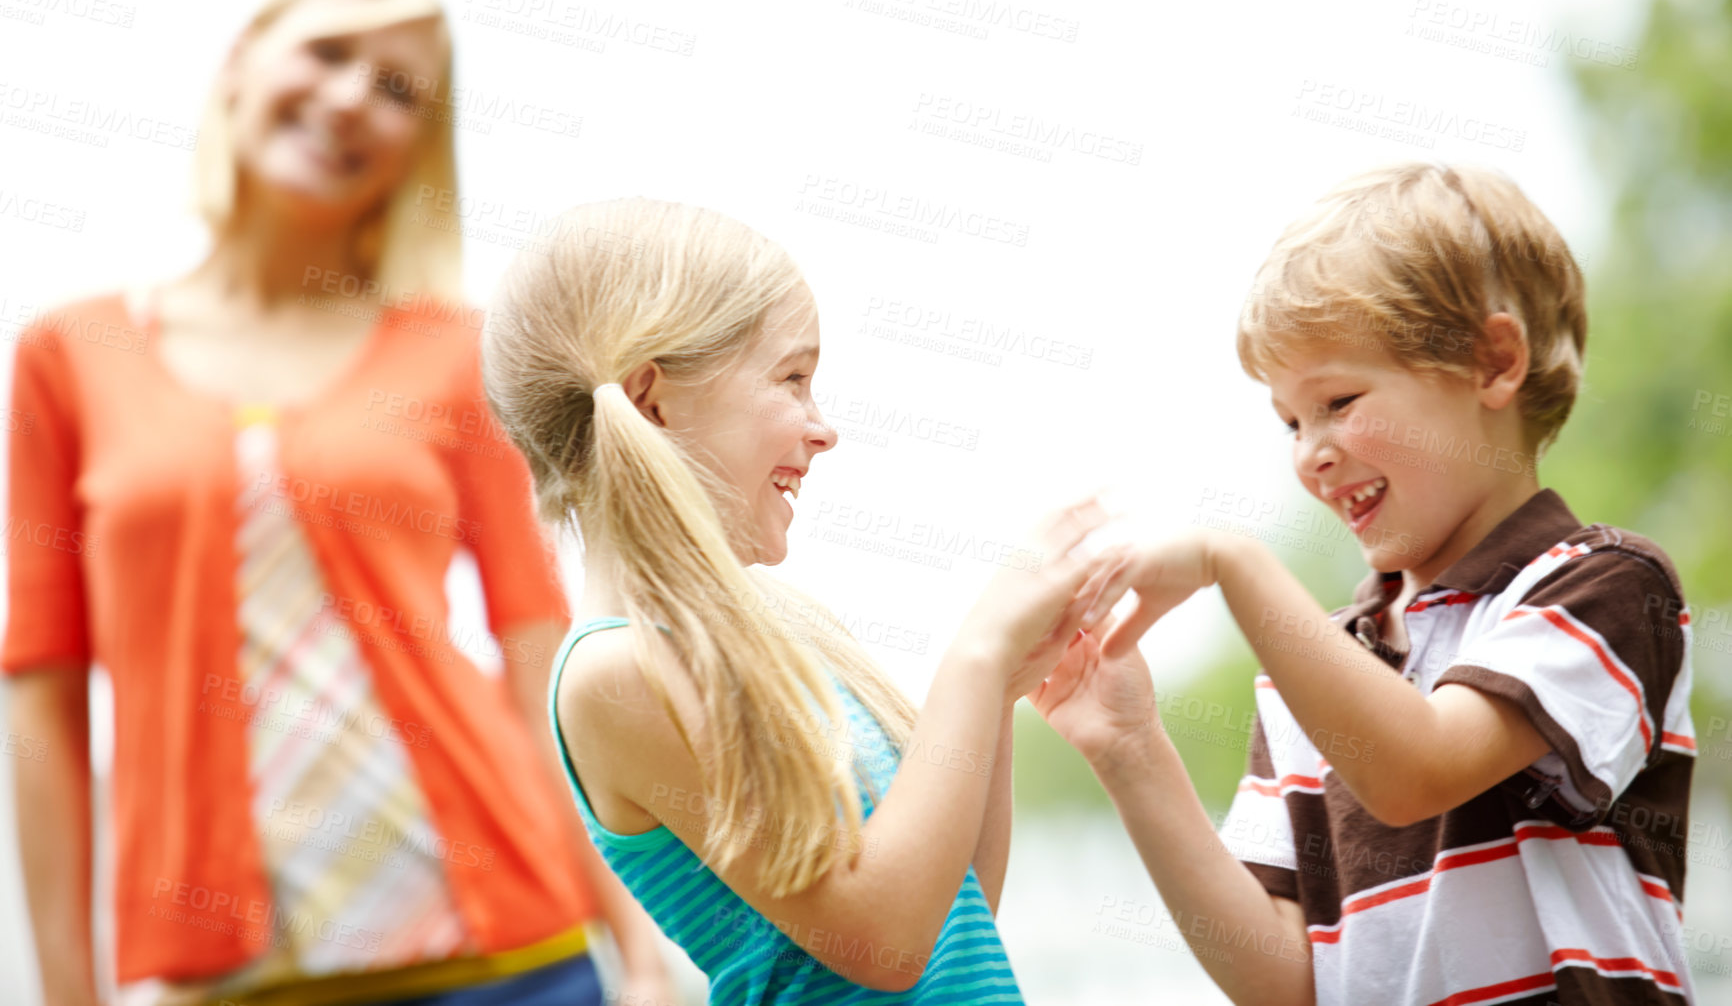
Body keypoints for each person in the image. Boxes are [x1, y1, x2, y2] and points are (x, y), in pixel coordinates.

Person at [4, 0, 672, 1006]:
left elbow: (537, 647)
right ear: (238, 66)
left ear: (416, 149)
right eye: (326, 53)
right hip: (231, 975)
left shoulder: (460, 354)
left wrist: (637, 947)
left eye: (399, 89)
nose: (356, 96)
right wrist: (62, 994)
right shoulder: (68, 354)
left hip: (507, 956)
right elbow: (39, 687)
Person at [1030, 163, 1697, 1005]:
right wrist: (1129, 750)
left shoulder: (1602, 586)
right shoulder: (1318, 673)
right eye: (1290, 422)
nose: (1311, 451)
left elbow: (1419, 767)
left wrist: (1236, 564)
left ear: (1495, 363)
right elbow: (1282, 980)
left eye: (1339, 400)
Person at [479, 198, 1122, 1002]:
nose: (824, 430)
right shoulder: (614, 672)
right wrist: (975, 654)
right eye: (792, 379)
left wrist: (998, 691)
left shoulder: (784, 624)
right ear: (652, 401)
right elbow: (883, 944)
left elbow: (952, 910)